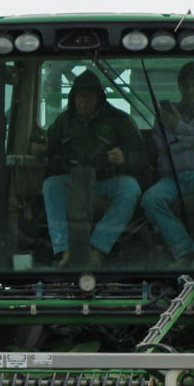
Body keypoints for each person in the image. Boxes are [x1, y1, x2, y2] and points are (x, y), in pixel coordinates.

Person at [41, 71, 147, 267]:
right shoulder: (62, 123)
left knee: (130, 188)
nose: (84, 101)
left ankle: (97, 250)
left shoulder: (120, 121)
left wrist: (124, 158)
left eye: (89, 96)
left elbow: (144, 157)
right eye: (80, 97)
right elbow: (50, 156)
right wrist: (59, 164)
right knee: (50, 186)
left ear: (99, 98)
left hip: (106, 182)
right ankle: (65, 250)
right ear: (73, 98)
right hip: (73, 181)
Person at [142, 65, 194, 265]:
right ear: (179, 86)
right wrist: (193, 140)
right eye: (185, 85)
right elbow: (163, 146)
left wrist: (178, 129)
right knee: (150, 199)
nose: (190, 90)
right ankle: (183, 251)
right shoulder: (164, 113)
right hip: (172, 177)